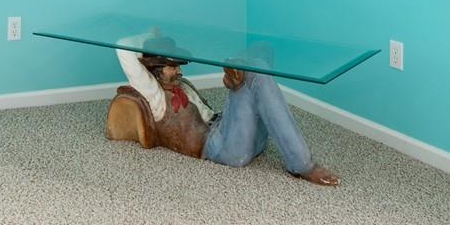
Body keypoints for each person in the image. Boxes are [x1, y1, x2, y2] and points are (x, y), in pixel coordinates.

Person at [115, 47, 339, 186]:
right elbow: (124, 51)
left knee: (262, 50)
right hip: (222, 150)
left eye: (178, 66)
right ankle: (302, 165)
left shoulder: (182, 85)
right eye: (172, 67)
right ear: (154, 71)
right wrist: (149, 34)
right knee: (256, 68)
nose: (179, 72)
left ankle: (236, 75)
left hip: (231, 132)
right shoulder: (153, 94)